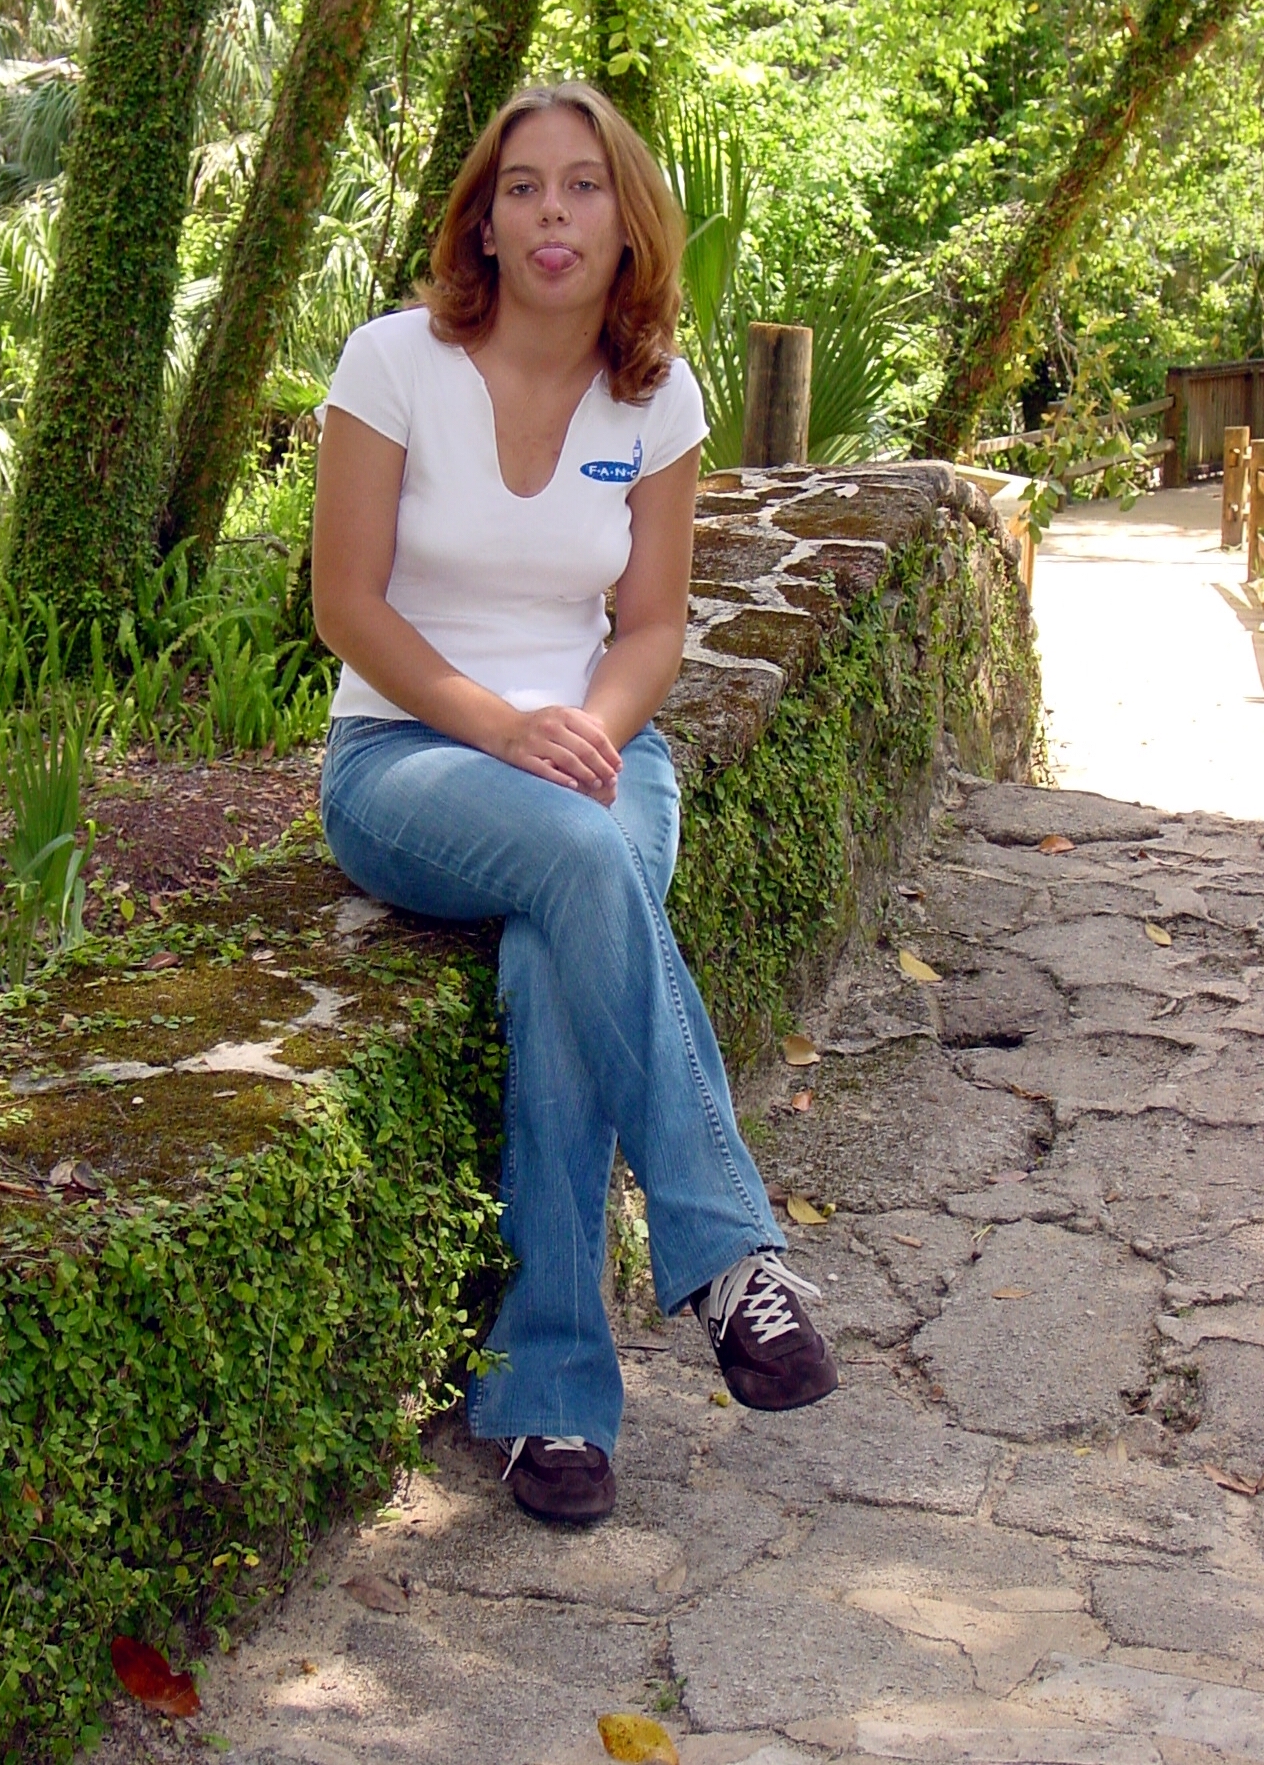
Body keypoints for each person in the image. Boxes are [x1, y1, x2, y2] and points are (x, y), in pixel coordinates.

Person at [311, 81, 837, 1527]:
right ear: (483, 220)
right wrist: (504, 728)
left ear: (627, 222)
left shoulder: (657, 396)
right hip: (407, 758)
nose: (554, 211)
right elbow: (347, 606)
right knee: (586, 867)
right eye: (524, 185)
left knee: (560, 960)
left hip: (602, 752)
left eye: (585, 186)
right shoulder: (392, 363)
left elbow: (652, 627)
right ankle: (731, 1257)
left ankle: (549, 1403)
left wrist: (589, 737)